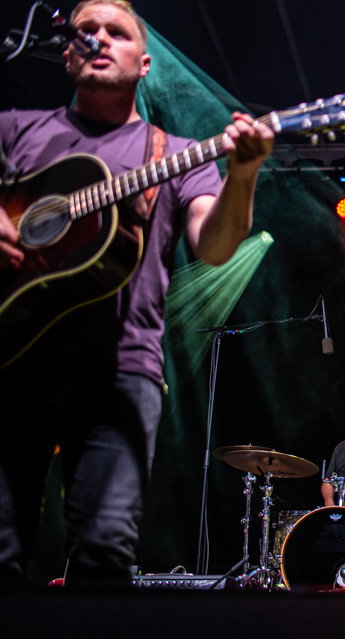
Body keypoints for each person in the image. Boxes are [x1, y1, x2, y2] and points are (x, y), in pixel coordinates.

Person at [0, 0, 272, 584]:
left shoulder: (175, 155)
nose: (98, 38)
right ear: (66, 53)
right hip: (11, 358)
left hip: (119, 372)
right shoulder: (14, 129)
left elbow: (215, 246)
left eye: (115, 32)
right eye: (85, 30)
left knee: (103, 553)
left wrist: (243, 175)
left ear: (144, 63)